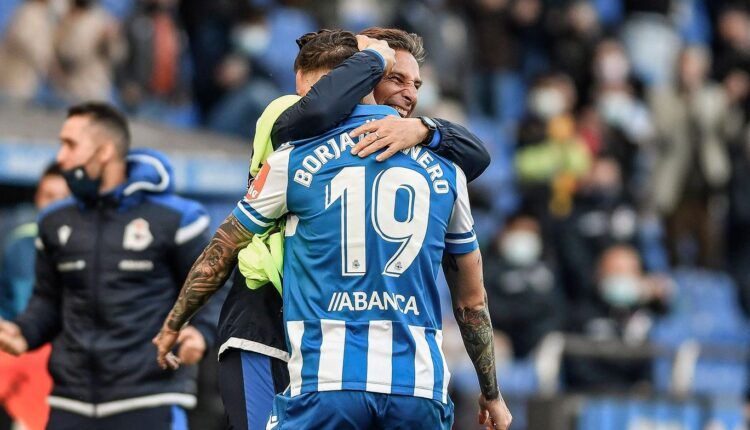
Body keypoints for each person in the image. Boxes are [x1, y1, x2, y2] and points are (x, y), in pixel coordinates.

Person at [158, 29, 511, 430]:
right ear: (360, 78)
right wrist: (492, 392)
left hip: (325, 372)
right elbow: (471, 299)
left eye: (416, 84)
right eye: (396, 78)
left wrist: (426, 129)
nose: (411, 94)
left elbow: (222, 245)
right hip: (288, 332)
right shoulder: (442, 170)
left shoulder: (302, 158)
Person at [0, 102, 220, 429]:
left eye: (70, 144)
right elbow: (47, 301)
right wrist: (23, 332)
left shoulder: (176, 220)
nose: (61, 157)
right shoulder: (53, 222)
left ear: (104, 151)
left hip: (149, 398)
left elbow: (214, 288)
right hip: (69, 400)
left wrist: (201, 333)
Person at [0, 164, 69, 430]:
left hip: (68, 369)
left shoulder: (93, 246)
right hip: (24, 361)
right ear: (37, 198)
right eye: (48, 196)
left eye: (62, 197)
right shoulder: (20, 245)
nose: (54, 205)